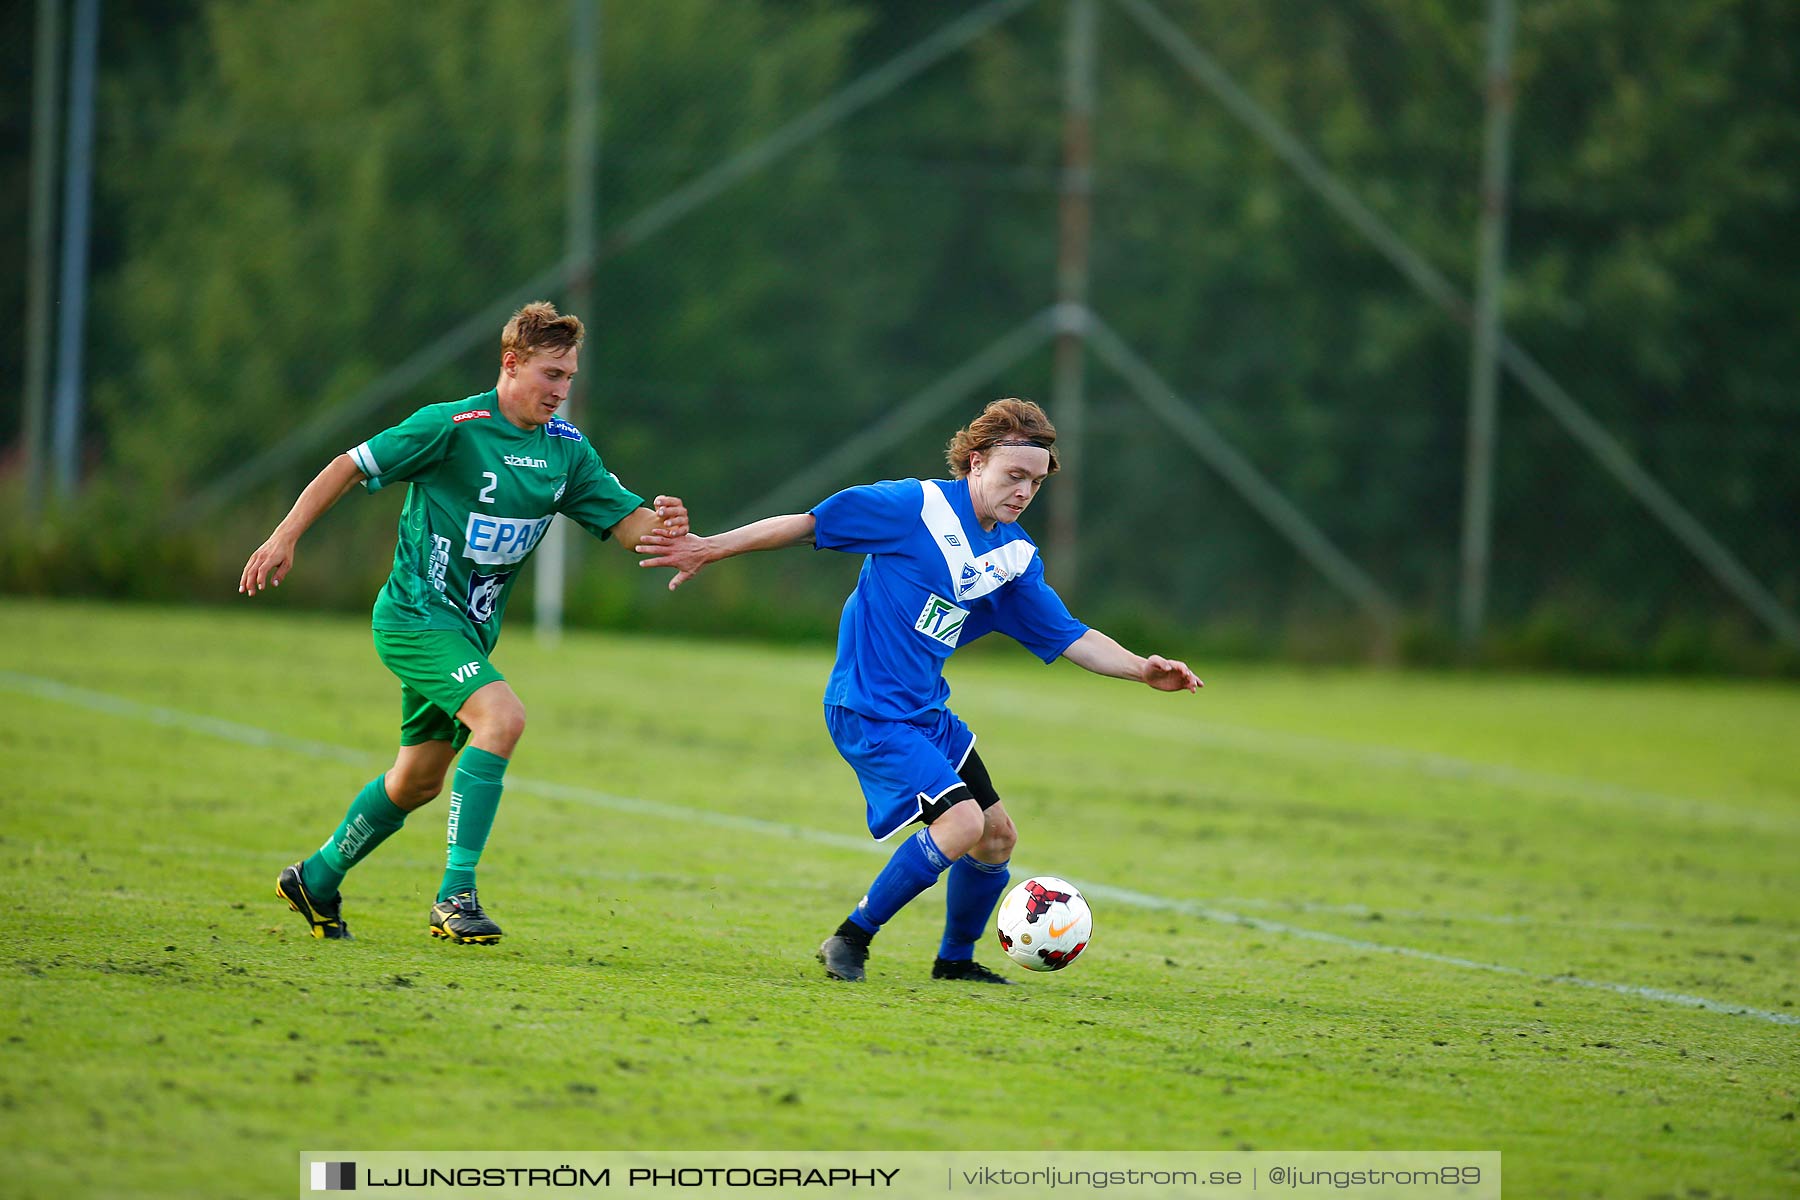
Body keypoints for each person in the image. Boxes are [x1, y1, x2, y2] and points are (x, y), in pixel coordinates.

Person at [635, 397, 1200, 982]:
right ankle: (851, 938)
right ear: (975, 462)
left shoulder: (1012, 555)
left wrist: (1141, 669)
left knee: (997, 838)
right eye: (1014, 476)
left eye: (1035, 481)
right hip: (868, 710)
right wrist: (709, 546)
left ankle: (954, 963)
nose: (1024, 491)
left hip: (927, 713)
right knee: (962, 825)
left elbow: (1070, 634)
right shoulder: (914, 507)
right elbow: (806, 526)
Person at [239, 301, 688, 945]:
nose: (562, 390)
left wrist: (672, 528)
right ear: (511, 365)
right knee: (502, 718)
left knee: (417, 780)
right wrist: (285, 537)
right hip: (415, 617)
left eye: (569, 377)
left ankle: (316, 876)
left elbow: (628, 527)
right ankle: (456, 897)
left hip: (468, 635)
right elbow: (351, 465)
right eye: (550, 374)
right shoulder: (451, 427)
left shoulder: (567, 452)